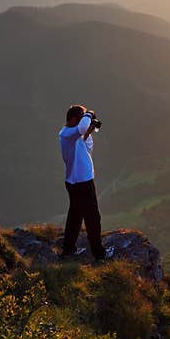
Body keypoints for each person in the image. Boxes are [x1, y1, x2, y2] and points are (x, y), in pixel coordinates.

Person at [58, 104, 105, 260]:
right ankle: (99, 254)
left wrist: (88, 132)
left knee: (75, 216)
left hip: (74, 182)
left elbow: (86, 146)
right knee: (93, 218)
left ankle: (68, 249)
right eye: (79, 120)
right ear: (72, 120)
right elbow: (82, 128)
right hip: (82, 183)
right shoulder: (67, 134)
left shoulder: (73, 136)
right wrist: (89, 113)